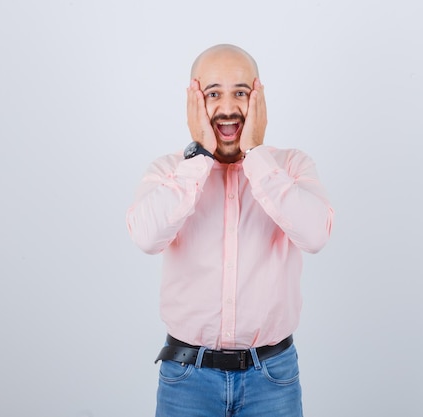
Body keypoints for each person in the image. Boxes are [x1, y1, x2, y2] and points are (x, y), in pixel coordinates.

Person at [126, 44, 334, 417]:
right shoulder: (169, 173)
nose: (226, 107)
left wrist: (256, 154)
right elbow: (146, 237)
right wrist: (199, 158)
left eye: (240, 92)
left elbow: (316, 235)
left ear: (258, 98)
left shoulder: (292, 166)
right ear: (194, 102)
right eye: (212, 94)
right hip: (186, 379)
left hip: (272, 378)